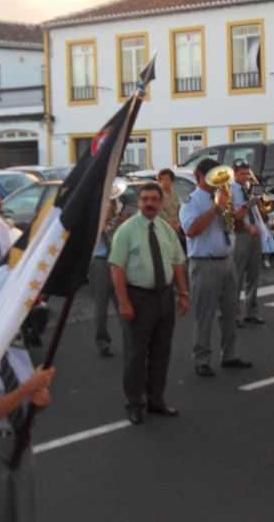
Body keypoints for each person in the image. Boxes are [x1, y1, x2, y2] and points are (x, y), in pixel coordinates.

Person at [109, 182, 188, 424]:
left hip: (164, 296)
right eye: (145, 199)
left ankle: (156, 399)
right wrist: (124, 302)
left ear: (161, 202)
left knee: (161, 351)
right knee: (136, 354)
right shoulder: (126, 231)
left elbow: (177, 263)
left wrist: (183, 294)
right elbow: (117, 267)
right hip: (138, 297)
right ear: (139, 202)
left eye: (154, 199)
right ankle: (135, 403)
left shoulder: (166, 229)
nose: (150, 203)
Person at [0, 333, 55, 522]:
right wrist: (29, 387)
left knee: (24, 512)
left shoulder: (16, 351)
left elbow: (31, 397)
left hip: (21, 440)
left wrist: (42, 399)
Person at [180, 158, 252, 377]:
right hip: (205, 264)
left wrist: (238, 218)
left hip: (227, 260)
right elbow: (191, 230)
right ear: (201, 176)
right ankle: (201, 359)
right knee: (204, 315)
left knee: (230, 313)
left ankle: (230, 354)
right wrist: (215, 208)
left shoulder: (222, 196)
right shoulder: (192, 201)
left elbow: (230, 228)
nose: (220, 181)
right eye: (214, 175)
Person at [89, 189, 125, 357]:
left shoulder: (118, 210)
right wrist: (105, 216)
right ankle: (103, 342)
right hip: (100, 262)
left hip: (118, 262)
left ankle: (131, 341)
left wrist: (121, 220)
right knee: (101, 306)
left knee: (123, 303)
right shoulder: (93, 215)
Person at [230, 159, 263, 326]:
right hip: (240, 233)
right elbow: (231, 216)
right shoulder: (229, 190)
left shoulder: (248, 188)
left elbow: (256, 211)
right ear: (234, 173)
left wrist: (258, 203)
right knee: (237, 276)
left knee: (254, 274)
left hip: (255, 232)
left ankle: (251, 312)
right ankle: (234, 315)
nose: (245, 177)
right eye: (241, 174)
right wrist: (242, 214)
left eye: (246, 174)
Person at [157, 169, 182, 235]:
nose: (164, 181)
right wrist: (172, 225)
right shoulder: (158, 194)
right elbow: (160, 212)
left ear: (171, 180)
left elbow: (178, 211)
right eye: (162, 179)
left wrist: (179, 225)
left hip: (175, 228)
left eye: (167, 179)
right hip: (163, 228)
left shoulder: (174, 195)